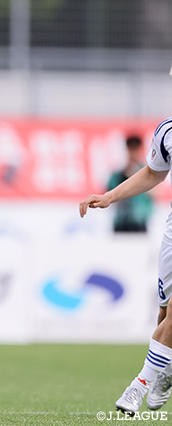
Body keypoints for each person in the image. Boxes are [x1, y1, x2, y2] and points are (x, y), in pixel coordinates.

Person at [80, 116, 172, 415]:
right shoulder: (167, 131)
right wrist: (110, 196)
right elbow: (153, 173)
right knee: (164, 313)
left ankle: (140, 384)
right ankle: (166, 370)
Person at [107, 135, 154, 233]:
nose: (133, 152)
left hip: (140, 221)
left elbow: (154, 193)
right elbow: (108, 194)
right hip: (121, 222)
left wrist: (136, 175)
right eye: (131, 148)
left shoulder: (148, 172)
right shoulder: (118, 173)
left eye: (135, 148)